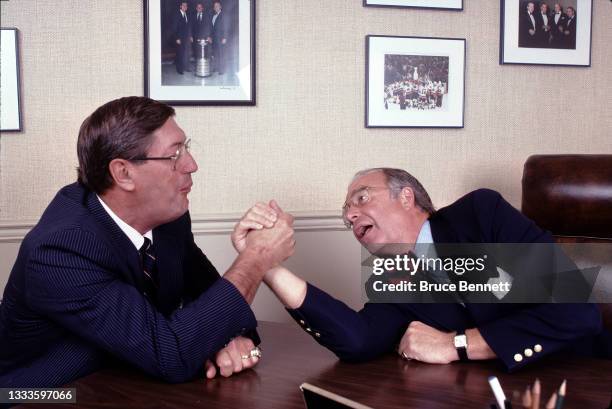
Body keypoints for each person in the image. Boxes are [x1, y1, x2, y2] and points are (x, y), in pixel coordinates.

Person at [0, 96, 295, 387]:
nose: (192, 165)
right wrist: (256, 258)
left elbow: (210, 297)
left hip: (126, 383)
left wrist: (234, 339)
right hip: (42, 396)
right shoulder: (58, 251)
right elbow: (172, 355)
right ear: (124, 173)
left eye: (187, 148)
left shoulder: (169, 217)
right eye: (175, 154)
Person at [243, 168, 606, 371]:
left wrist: (454, 344)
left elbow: (576, 310)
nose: (350, 215)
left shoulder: (480, 215)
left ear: (406, 196)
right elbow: (358, 340)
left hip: (581, 377)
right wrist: (266, 264)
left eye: (362, 198)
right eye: (346, 214)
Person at [173, 2, 192, 74]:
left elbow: (188, 27)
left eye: (186, 6)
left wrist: (190, 36)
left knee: (186, 53)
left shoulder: (187, 15)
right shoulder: (176, 15)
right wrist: (177, 38)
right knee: (180, 54)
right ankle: (179, 69)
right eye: (183, 5)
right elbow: (174, 28)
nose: (185, 7)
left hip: (186, 38)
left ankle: (186, 67)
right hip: (180, 38)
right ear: (180, 6)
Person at [211, 0, 229, 75]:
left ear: (220, 7)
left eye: (217, 6)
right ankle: (216, 68)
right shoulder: (214, 16)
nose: (216, 7)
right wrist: (211, 37)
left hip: (221, 38)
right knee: (215, 54)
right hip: (215, 39)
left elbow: (226, 27)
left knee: (221, 54)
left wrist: (225, 37)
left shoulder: (223, 15)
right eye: (215, 6)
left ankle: (222, 70)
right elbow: (213, 28)